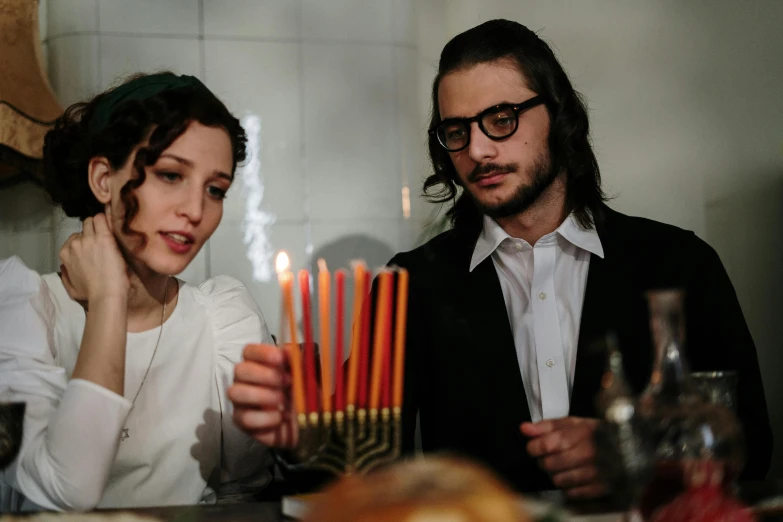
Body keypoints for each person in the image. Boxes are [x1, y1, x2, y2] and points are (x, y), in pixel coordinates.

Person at [228, 20, 773, 497]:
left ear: (558, 114)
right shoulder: (413, 283)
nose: (478, 151)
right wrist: (304, 438)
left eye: (503, 118)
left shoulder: (678, 265)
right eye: (456, 131)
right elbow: (359, 467)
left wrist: (634, 456)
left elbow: (750, 443)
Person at [0, 72, 274, 511]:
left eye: (215, 189)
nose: (195, 210)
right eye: (170, 175)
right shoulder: (21, 311)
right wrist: (109, 296)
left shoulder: (223, 319)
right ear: (103, 180)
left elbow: (244, 493)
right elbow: (67, 489)